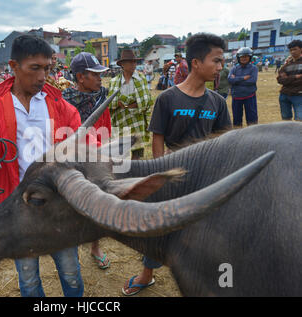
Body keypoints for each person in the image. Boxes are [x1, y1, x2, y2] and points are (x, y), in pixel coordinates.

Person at [0, 35, 84, 297]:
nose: (42, 76)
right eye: (35, 68)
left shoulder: (61, 107)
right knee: (28, 278)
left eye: (47, 68)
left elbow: (80, 154)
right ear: (14, 66)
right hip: (16, 208)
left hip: (58, 206)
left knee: (71, 271)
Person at [122, 33, 232, 296]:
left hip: (207, 177)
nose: (220, 67)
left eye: (222, 62)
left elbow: (224, 142)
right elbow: (157, 138)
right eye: (216, 61)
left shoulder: (217, 102)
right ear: (196, 62)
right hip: (173, 177)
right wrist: (162, 175)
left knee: (209, 231)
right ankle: (147, 274)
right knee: (160, 229)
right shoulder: (168, 99)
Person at [62, 52, 111, 270]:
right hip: (70, 158)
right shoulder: (63, 102)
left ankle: (95, 246)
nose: (101, 78)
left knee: (96, 201)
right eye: (95, 74)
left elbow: (106, 128)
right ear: (81, 77)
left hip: (95, 157)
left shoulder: (102, 97)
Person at [108, 49, 153, 160]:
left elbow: (146, 101)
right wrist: (119, 103)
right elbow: (110, 103)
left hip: (137, 120)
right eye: (130, 62)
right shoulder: (114, 82)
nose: (134, 65)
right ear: (123, 64)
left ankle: (136, 173)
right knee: (120, 154)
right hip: (121, 121)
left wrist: (131, 104)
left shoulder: (141, 79)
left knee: (137, 154)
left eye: (135, 62)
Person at [228, 47, 259, 127]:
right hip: (236, 97)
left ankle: (253, 135)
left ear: (250, 57)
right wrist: (243, 78)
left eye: (246, 56)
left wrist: (236, 79)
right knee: (237, 118)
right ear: (238, 57)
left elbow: (252, 81)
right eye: (242, 56)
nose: (244, 58)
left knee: (252, 118)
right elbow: (230, 80)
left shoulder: (253, 68)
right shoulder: (234, 68)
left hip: (249, 96)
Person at [277, 39, 302, 121]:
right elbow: (280, 79)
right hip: (284, 95)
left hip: (299, 95)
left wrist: (287, 78)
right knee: (285, 120)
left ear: (301, 49)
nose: (292, 52)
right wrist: (295, 77)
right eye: (291, 50)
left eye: (295, 49)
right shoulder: (287, 63)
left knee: (299, 120)